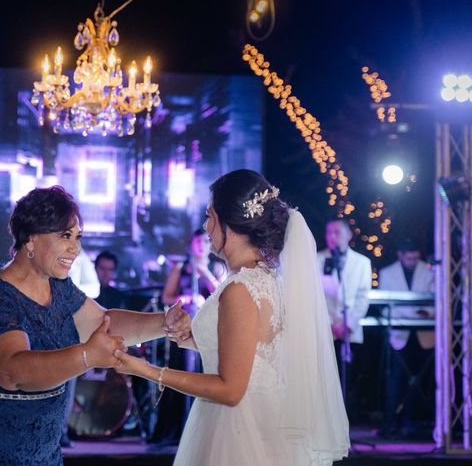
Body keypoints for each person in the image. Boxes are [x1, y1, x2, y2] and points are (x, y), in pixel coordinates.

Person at [115, 169, 349, 465]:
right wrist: (189, 337)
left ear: (233, 226)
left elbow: (230, 389)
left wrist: (146, 370)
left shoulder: (240, 288)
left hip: (239, 428)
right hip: (261, 419)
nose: (206, 226)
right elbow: (251, 350)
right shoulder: (263, 278)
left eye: (210, 217)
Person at [0, 186, 191, 465]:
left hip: (44, 453)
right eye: (65, 236)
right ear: (31, 240)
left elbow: (103, 323)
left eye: (77, 237)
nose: (76, 248)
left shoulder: (58, 286)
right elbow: (14, 372)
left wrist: (164, 323)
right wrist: (87, 356)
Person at [150, 229, 225, 445]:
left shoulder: (216, 267)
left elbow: (222, 295)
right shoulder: (181, 269)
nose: (202, 245)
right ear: (191, 244)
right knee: (182, 373)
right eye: (198, 242)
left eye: (206, 241)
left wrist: (205, 274)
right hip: (183, 330)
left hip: (207, 329)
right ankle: (177, 429)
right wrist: (182, 297)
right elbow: (167, 296)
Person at [378, 237, 434, 438]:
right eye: (408, 258)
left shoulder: (429, 270)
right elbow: (386, 307)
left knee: (419, 380)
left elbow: (435, 301)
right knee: (396, 380)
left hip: (423, 335)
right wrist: (412, 313)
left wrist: (426, 313)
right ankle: (392, 422)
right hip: (399, 335)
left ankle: (412, 422)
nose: (412, 262)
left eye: (415, 258)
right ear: (400, 255)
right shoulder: (387, 273)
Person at [317, 218, 371, 419]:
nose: (332, 237)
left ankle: (346, 426)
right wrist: (331, 324)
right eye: (328, 233)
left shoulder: (362, 262)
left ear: (348, 235)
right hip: (325, 330)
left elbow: (362, 297)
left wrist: (348, 324)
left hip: (350, 330)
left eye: (337, 232)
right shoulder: (317, 259)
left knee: (349, 379)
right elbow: (313, 297)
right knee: (324, 381)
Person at [61, 247, 100, 447]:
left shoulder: (81, 256)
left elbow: (95, 287)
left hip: (70, 324)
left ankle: (62, 432)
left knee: (69, 379)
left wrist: (71, 290)